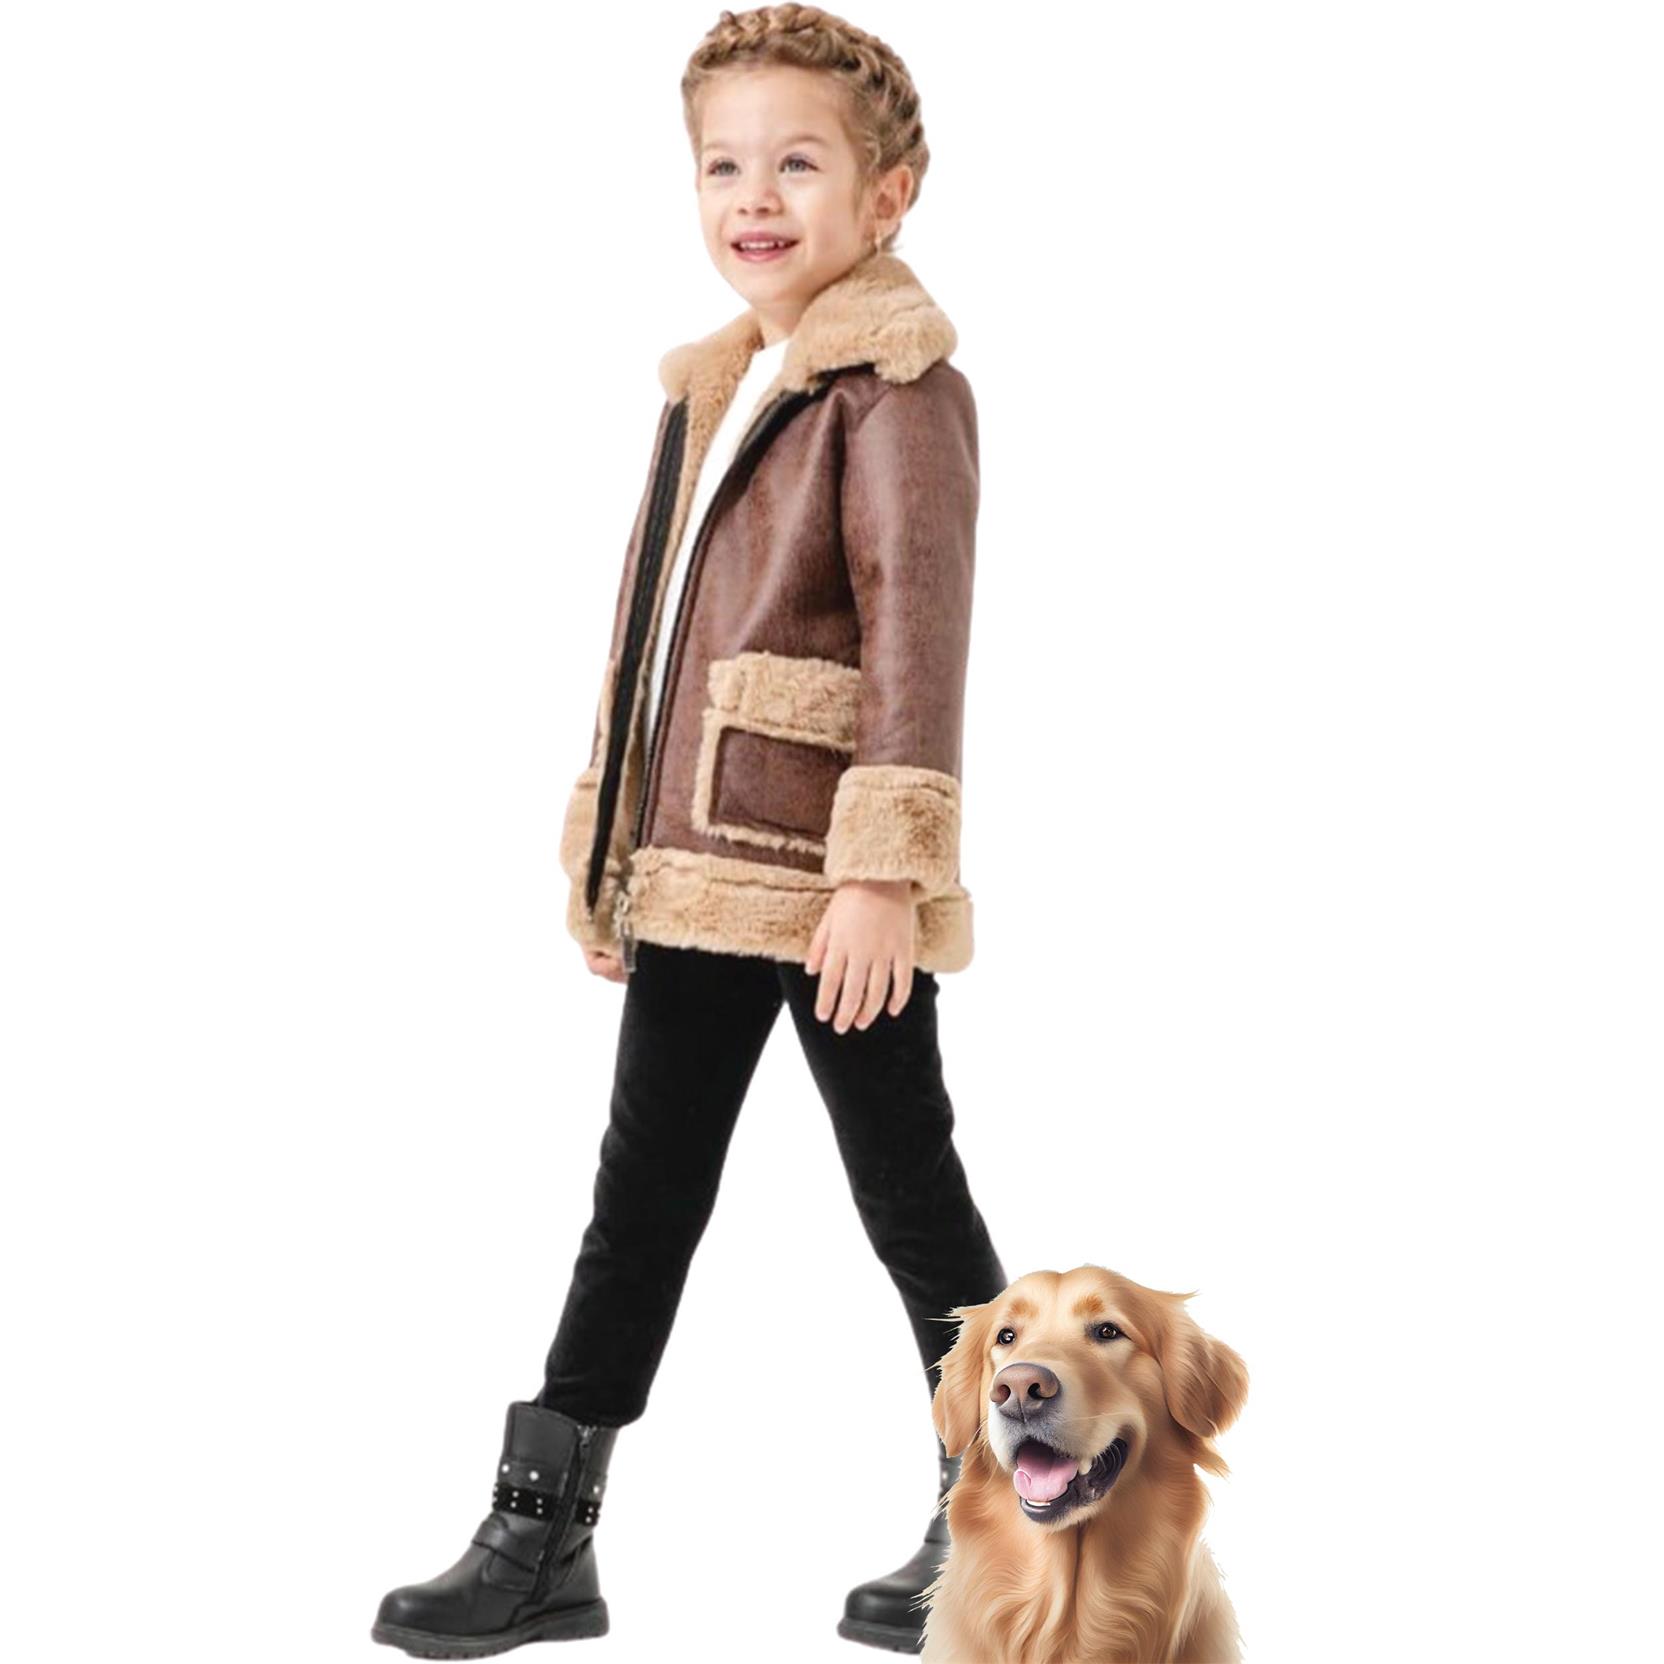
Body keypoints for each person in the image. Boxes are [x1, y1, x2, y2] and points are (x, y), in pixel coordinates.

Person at [372, 6, 1007, 1656]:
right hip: (702, 876)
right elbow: (656, 645)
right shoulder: (716, 387)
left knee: (909, 1194)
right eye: (724, 166)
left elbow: (918, 636)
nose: (755, 197)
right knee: (642, 1195)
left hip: (824, 890)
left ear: (889, 195)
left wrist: (881, 871)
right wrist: (615, 862)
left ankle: (1012, 1515)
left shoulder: (899, 389)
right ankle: (543, 1539)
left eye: (798, 163)